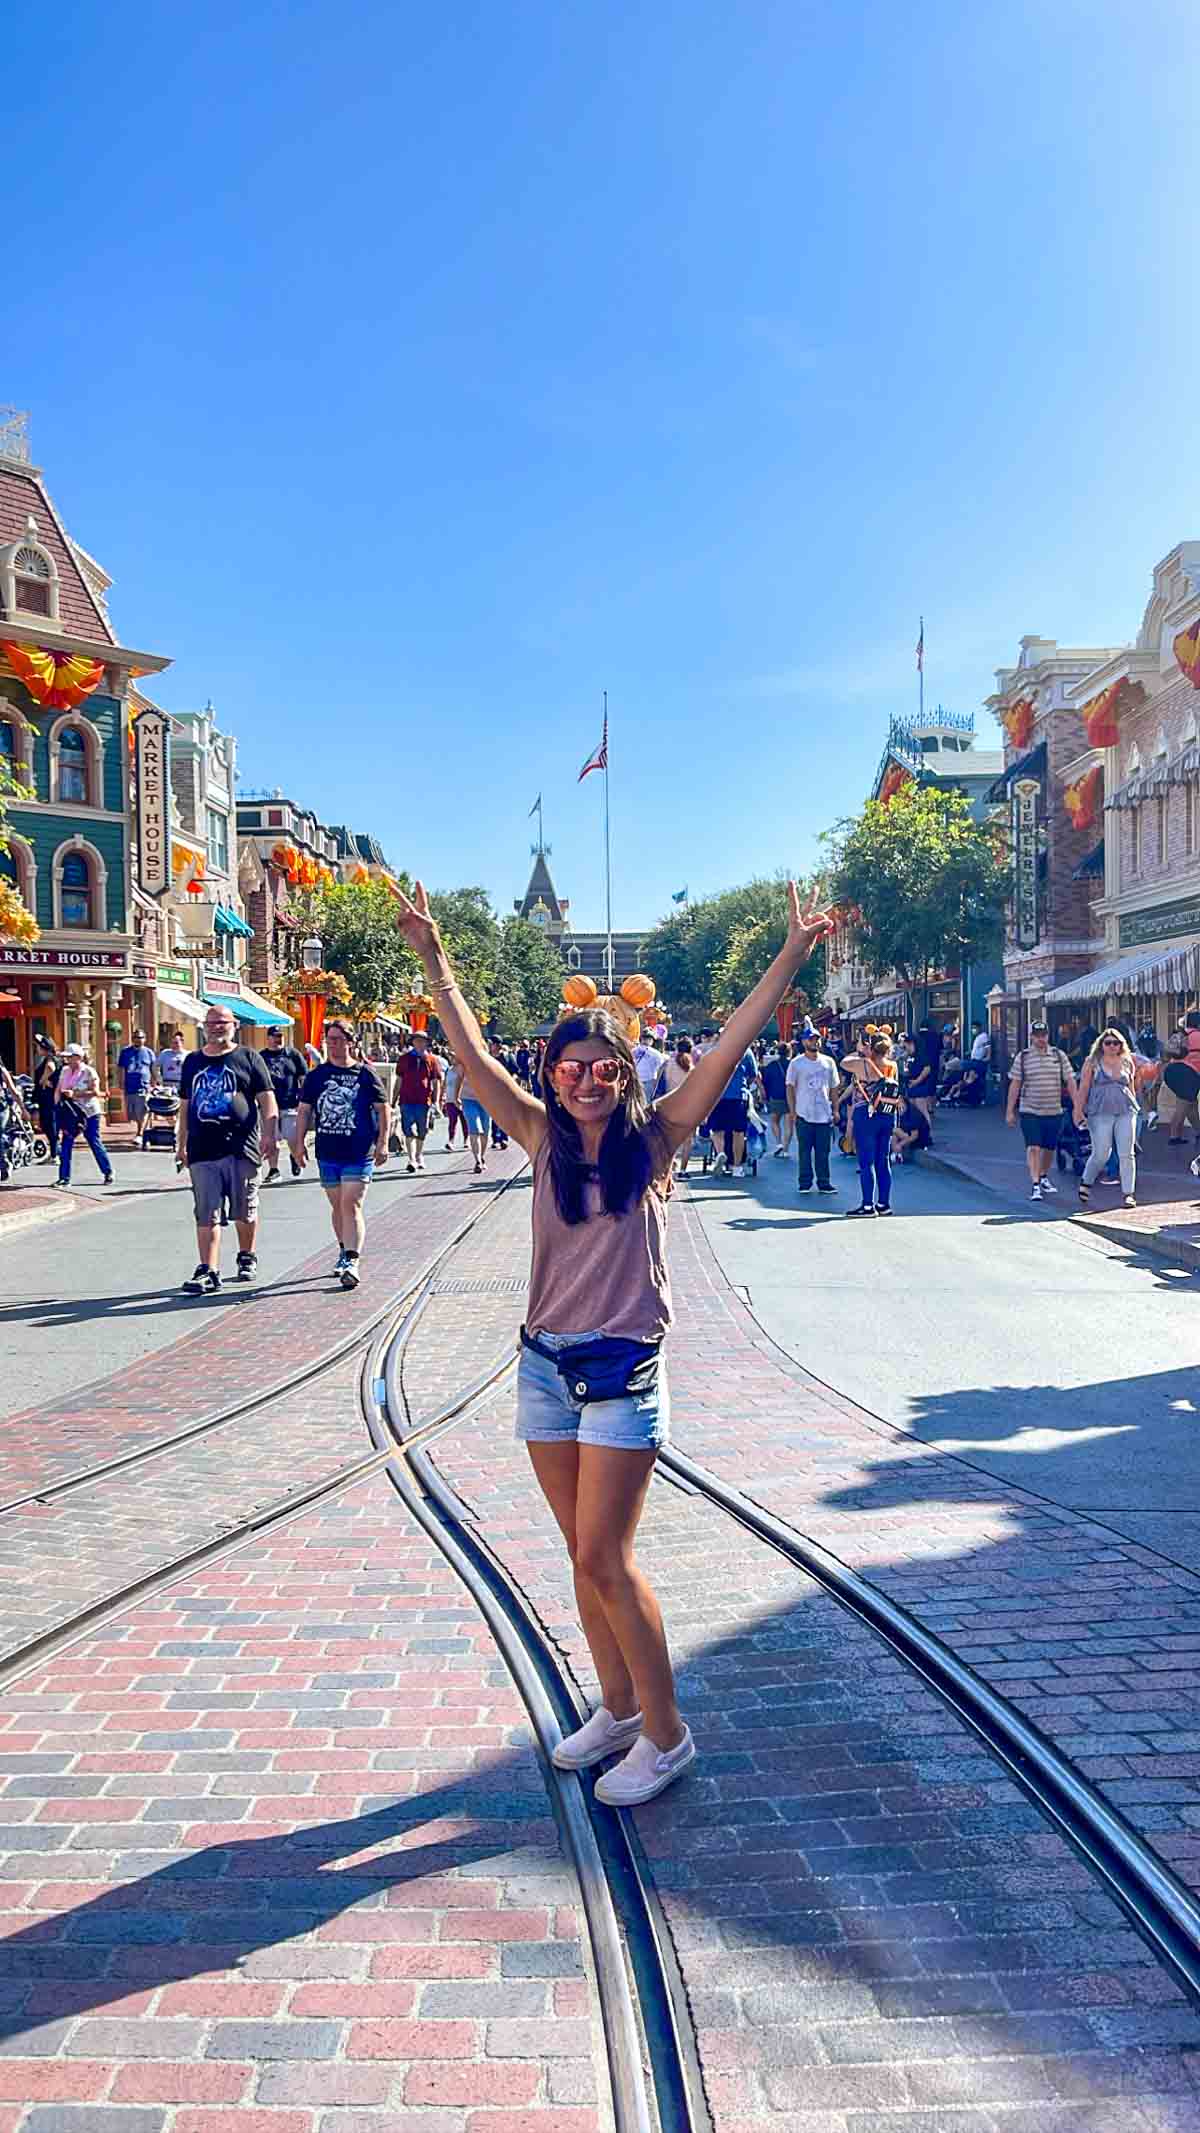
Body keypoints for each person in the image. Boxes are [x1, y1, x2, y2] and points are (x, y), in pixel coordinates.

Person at [393, 874, 832, 1804]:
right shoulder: (539, 1137)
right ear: (551, 1072)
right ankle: (620, 1708)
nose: (586, 1078)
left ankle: (667, 1736)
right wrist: (432, 955)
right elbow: (469, 1054)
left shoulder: (658, 1138)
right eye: (570, 1064)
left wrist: (792, 954)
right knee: (579, 1553)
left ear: (625, 1073)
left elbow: (729, 1045)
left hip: (624, 1370)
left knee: (605, 1557)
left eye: (603, 1066)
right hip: (547, 1367)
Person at [177, 1005, 278, 1292]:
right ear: (203, 1026)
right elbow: (185, 1106)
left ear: (234, 1025)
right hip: (202, 1149)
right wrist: (180, 1144)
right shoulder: (193, 1062)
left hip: (241, 1148)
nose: (217, 1027)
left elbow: (267, 1099)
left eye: (223, 1022)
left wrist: (270, 1135)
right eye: (212, 1022)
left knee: (244, 1210)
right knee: (206, 1212)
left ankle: (246, 1255)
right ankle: (208, 1270)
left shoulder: (248, 1057)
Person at [294, 1017, 390, 1287]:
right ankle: (343, 1247)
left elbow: (383, 1109)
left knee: (351, 1203)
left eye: (338, 1040)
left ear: (350, 1042)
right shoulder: (317, 1076)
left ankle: (352, 1259)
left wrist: (382, 1142)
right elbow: (305, 1111)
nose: (333, 1045)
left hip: (359, 1150)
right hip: (328, 1150)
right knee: (337, 1205)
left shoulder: (365, 1074)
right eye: (329, 1040)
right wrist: (298, 1143)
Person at [1006, 1020, 1078, 1203]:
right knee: (1033, 1147)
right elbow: (1015, 1084)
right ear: (1031, 1037)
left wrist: (1078, 1106)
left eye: (1043, 1035)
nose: (1041, 1039)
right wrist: (1010, 1111)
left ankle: (1043, 1175)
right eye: (1037, 1035)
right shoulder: (1023, 1057)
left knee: (1048, 1149)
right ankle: (1035, 1184)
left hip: (1053, 1110)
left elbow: (1070, 1081)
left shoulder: (1058, 1056)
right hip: (1030, 1109)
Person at [1074, 1028, 1139, 1209]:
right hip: (1100, 1112)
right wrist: (1078, 1112)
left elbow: (1132, 1086)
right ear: (1101, 1045)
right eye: (1108, 1043)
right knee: (1102, 1153)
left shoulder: (1128, 1061)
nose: (1112, 1046)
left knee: (1127, 1153)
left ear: (1121, 1045)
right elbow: (1084, 1088)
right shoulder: (1092, 1062)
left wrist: (1136, 1110)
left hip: (1125, 1111)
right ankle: (1087, 1181)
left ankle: (1128, 1193)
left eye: (1116, 1043)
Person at [847, 1031, 902, 1215]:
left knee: (866, 1161)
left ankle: (867, 1205)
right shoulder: (893, 1066)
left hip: (866, 1114)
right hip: (887, 1114)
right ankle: (884, 1204)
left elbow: (843, 1062)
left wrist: (861, 1051)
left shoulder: (862, 1063)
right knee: (883, 1160)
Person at [786, 1028, 839, 1195]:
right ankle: (805, 1182)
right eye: (810, 1039)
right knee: (804, 1151)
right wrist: (792, 1111)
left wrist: (836, 1109)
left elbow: (834, 1087)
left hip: (824, 1114)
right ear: (804, 1042)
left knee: (823, 1152)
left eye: (816, 1039)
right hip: (804, 1113)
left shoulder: (828, 1062)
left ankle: (824, 1182)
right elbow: (790, 1087)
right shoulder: (796, 1063)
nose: (814, 1042)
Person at [54, 1042, 114, 1187]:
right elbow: (58, 1089)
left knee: (93, 1140)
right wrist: (57, 1107)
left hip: (89, 1112)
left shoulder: (89, 1072)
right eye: (66, 1057)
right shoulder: (64, 1071)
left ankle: (107, 1172)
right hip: (71, 1113)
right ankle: (64, 1177)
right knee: (66, 1142)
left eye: (70, 1057)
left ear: (78, 1057)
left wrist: (75, 1094)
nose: (67, 1060)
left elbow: (95, 1092)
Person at [260, 1024, 309, 1182]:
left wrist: (305, 1097)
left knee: (293, 1138)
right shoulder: (261, 1057)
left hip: (290, 1104)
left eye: (280, 1036)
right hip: (269, 1106)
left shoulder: (292, 1054)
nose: (277, 1039)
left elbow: (303, 1076)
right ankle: (274, 1170)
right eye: (274, 1036)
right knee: (271, 1139)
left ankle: (295, 1157)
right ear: (268, 1038)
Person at [707, 1036, 759, 1177]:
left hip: (718, 1096)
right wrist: (744, 1084)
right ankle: (737, 1167)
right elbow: (753, 1074)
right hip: (738, 1096)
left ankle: (721, 1153)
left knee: (717, 1131)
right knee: (739, 1133)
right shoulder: (745, 1051)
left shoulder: (714, 1051)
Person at [393, 1029, 442, 1172]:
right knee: (408, 1130)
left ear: (427, 1043)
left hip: (423, 1100)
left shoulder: (432, 1060)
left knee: (422, 1130)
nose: (419, 1043)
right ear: (413, 1042)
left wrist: (436, 1101)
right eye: (417, 1040)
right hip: (407, 1099)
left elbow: (435, 1081)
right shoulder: (404, 1059)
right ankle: (411, 1159)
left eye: (422, 1041)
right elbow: (399, 1080)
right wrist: (393, 1098)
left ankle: (419, 1154)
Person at [117, 1027, 156, 1149]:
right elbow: (121, 1068)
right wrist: (121, 1082)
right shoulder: (125, 1052)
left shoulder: (149, 1053)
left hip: (144, 1086)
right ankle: (143, 1132)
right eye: (136, 1037)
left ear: (145, 1039)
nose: (138, 1040)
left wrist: (154, 1083)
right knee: (132, 1113)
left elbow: (153, 1069)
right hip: (130, 1087)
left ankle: (140, 1134)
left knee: (143, 1111)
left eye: (140, 1037)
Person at [662, 1036, 696, 1175]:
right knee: (688, 1140)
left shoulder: (668, 1064)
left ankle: (669, 1170)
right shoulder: (691, 1067)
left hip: (670, 1102)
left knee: (670, 1140)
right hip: (689, 1105)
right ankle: (683, 1170)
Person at [907, 1019, 942, 1134]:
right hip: (934, 1065)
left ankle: (926, 1132)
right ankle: (929, 1108)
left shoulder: (919, 1043)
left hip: (919, 1081)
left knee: (920, 1107)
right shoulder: (936, 1036)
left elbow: (926, 1068)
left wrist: (916, 1081)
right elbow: (940, 1051)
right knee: (928, 1093)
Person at [761, 1043, 793, 1158]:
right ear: (789, 1052)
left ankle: (778, 1143)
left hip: (775, 1096)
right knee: (789, 1124)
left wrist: (766, 1096)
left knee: (774, 1121)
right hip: (791, 1097)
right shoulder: (792, 1065)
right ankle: (786, 1149)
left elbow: (765, 1081)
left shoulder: (771, 1065)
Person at [31, 1035, 60, 1161]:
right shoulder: (49, 1058)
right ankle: (54, 1151)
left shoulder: (50, 1059)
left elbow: (51, 1068)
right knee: (47, 1124)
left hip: (48, 1098)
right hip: (48, 1097)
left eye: (38, 1046)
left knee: (49, 1124)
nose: (36, 1049)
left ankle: (54, 1154)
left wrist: (43, 1079)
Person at [443, 1054, 470, 1151]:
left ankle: (466, 1140)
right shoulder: (448, 1070)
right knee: (452, 1121)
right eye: (451, 1057)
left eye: (454, 1057)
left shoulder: (463, 1069)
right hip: (450, 1100)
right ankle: (451, 1141)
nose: (452, 1059)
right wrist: (442, 1096)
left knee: (465, 1121)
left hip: (462, 1099)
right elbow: (444, 1083)